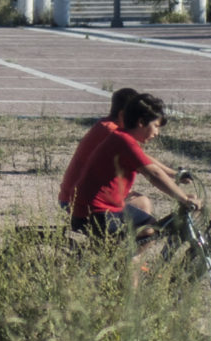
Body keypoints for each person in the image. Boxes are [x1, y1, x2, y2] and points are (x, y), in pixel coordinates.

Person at [63, 91, 198, 238]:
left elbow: (146, 162)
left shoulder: (121, 137)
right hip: (96, 211)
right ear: (141, 122)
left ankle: (124, 259)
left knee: (142, 223)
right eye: (156, 126)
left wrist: (175, 178)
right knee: (148, 229)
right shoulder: (123, 141)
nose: (157, 133)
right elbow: (153, 174)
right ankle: (130, 261)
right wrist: (184, 199)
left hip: (96, 207)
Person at [58, 87, 139, 210]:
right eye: (136, 116)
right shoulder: (111, 131)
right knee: (141, 203)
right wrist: (173, 174)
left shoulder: (105, 125)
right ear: (123, 114)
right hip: (77, 201)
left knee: (135, 201)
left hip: (74, 197)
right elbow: (143, 163)